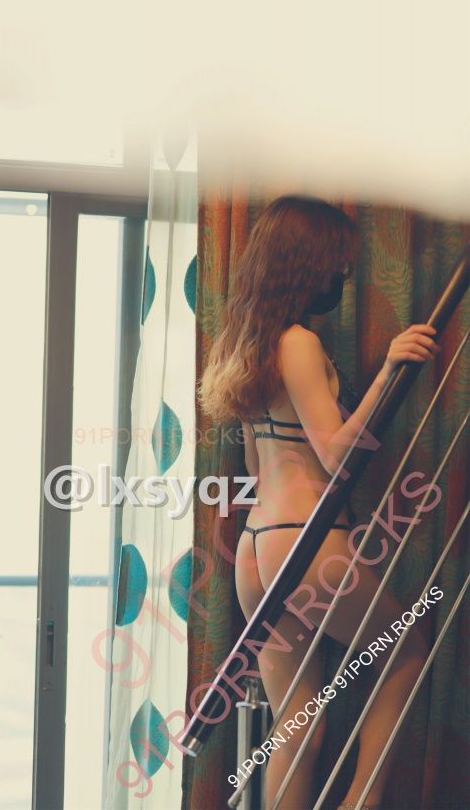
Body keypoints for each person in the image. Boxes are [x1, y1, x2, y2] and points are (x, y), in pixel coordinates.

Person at [198, 194, 439, 810]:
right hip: (305, 540)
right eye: (336, 262)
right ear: (308, 262)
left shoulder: (245, 345)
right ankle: (361, 801)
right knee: (407, 648)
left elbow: (257, 468)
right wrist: (387, 372)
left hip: (256, 547)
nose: (343, 275)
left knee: (298, 718)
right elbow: (336, 456)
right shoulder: (300, 342)